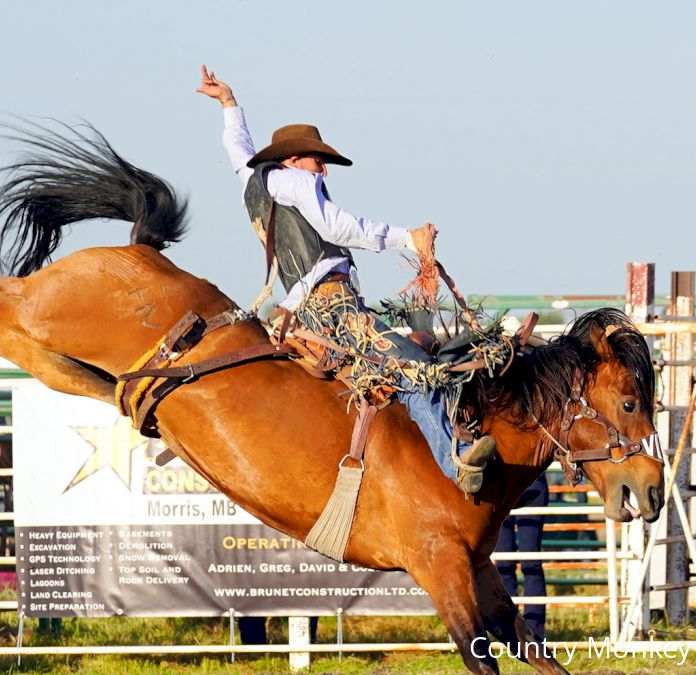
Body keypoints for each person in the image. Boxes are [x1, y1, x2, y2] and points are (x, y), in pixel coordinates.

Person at [196, 65, 494, 492]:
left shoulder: (256, 181)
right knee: (415, 367)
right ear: (295, 159)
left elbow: (238, 152)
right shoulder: (297, 181)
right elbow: (337, 229)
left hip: (302, 311)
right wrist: (407, 238)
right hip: (333, 308)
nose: (324, 172)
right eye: (320, 160)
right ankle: (456, 464)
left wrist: (229, 105)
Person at [496, 474, 549, 639]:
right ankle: (510, 631)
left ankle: (534, 634)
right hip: (498, 483)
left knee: (530, 561)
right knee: (503, 563)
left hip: (531, 482)